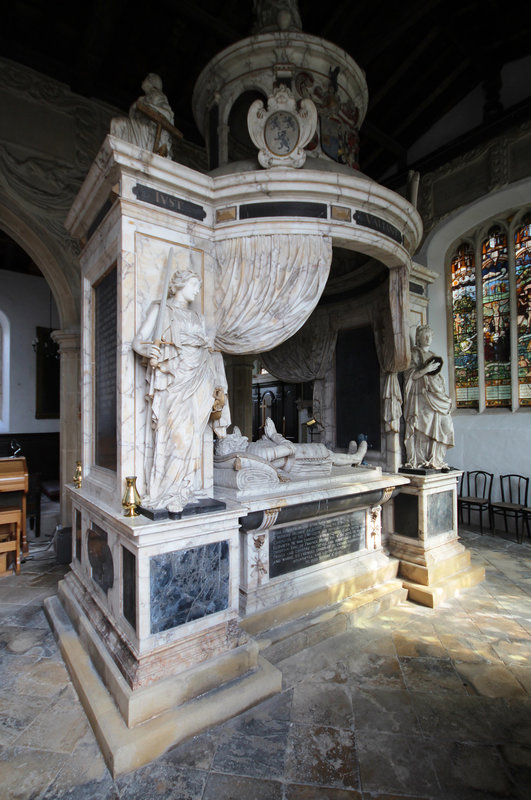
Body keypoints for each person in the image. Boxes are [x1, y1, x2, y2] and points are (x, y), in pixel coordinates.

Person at [132, 268, 229, 512]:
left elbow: (206, 351)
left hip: (200, 381)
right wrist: (147, 350)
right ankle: (166, 491)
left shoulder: (197, 318)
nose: (197, 290)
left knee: (194, 438)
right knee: (178, 435)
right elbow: (138, 341)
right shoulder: (161, 309)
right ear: (179, 285)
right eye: (194, 284)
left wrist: (217, 381)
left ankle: (183, 489)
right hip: (175, 382)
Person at [403, 324, 454, 469]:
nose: (428, 338)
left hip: (437, 396)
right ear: (418, 338)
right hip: (421, 398)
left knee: (444, 424)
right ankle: (420, 459)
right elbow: (410, 375)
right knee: (423, 428)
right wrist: (426, 369)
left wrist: (439, 379)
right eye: (425, 335)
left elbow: (438, 377)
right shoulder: (414, 353)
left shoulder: (432, 355)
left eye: (430, 335)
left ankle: (436, 459)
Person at [111, 73, 175, 157]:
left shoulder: (157, 95)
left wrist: (146, 107)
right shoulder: (143, 98)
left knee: (118, 123)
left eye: (145, 79)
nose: (142, 82)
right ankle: (116, 153)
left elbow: (167, 115)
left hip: (150, 130)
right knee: (117, 124)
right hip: (140, 126)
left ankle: (118, 153)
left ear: (151, 82)